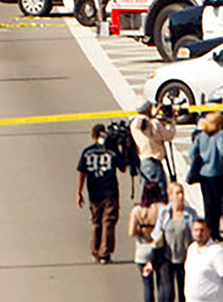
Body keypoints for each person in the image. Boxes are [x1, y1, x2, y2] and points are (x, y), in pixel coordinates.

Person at [188, 112, 223, 241]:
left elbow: (191, 152)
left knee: (208, 204)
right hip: (216, 173)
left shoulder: (201, 136)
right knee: (216, 204)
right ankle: (214, 232)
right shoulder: (220, 135)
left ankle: (209, 230)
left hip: (203, 173)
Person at [77, 123, 123, 264]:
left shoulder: (87, 152)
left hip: (94, 192)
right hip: (110, 191)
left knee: (96, 221)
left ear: (93, 137)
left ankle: (95, 249)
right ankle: (105, 251)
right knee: (108, 221)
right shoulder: (112, 151)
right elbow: (123, 167)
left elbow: (82, 172)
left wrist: (79, 192)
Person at [154, 182, 197, 302]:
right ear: (170, 196)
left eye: (182, 193)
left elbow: (196, 235)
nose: (181, 196)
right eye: (177, 193)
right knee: (168, 293)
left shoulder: (190, 214)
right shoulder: (164, 213)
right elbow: (157, 233)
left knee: (185, 292)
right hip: (167, 258)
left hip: (185, 258)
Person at [130, 181, 169, 302]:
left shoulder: (137, 211)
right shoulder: (162, 209)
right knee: (162, 283)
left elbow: (131, 232)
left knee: (147, 285)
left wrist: (141, 231)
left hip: (142, 250)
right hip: (159, 248)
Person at [132, 100, 177, 194]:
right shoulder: (153, 124)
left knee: (147, 193)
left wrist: (154, 115)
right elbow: (169, 135)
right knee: (161, 192)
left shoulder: (134, 124)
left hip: (143, 162)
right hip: (154, 161)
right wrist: (173, 121)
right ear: (149, 109)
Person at [184, 219, 223, 302]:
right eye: (196, 230)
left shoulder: (217, 251)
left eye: (202, 230)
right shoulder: (191, 249)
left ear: (208, 231)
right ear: (192, 232)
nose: (199, 233)